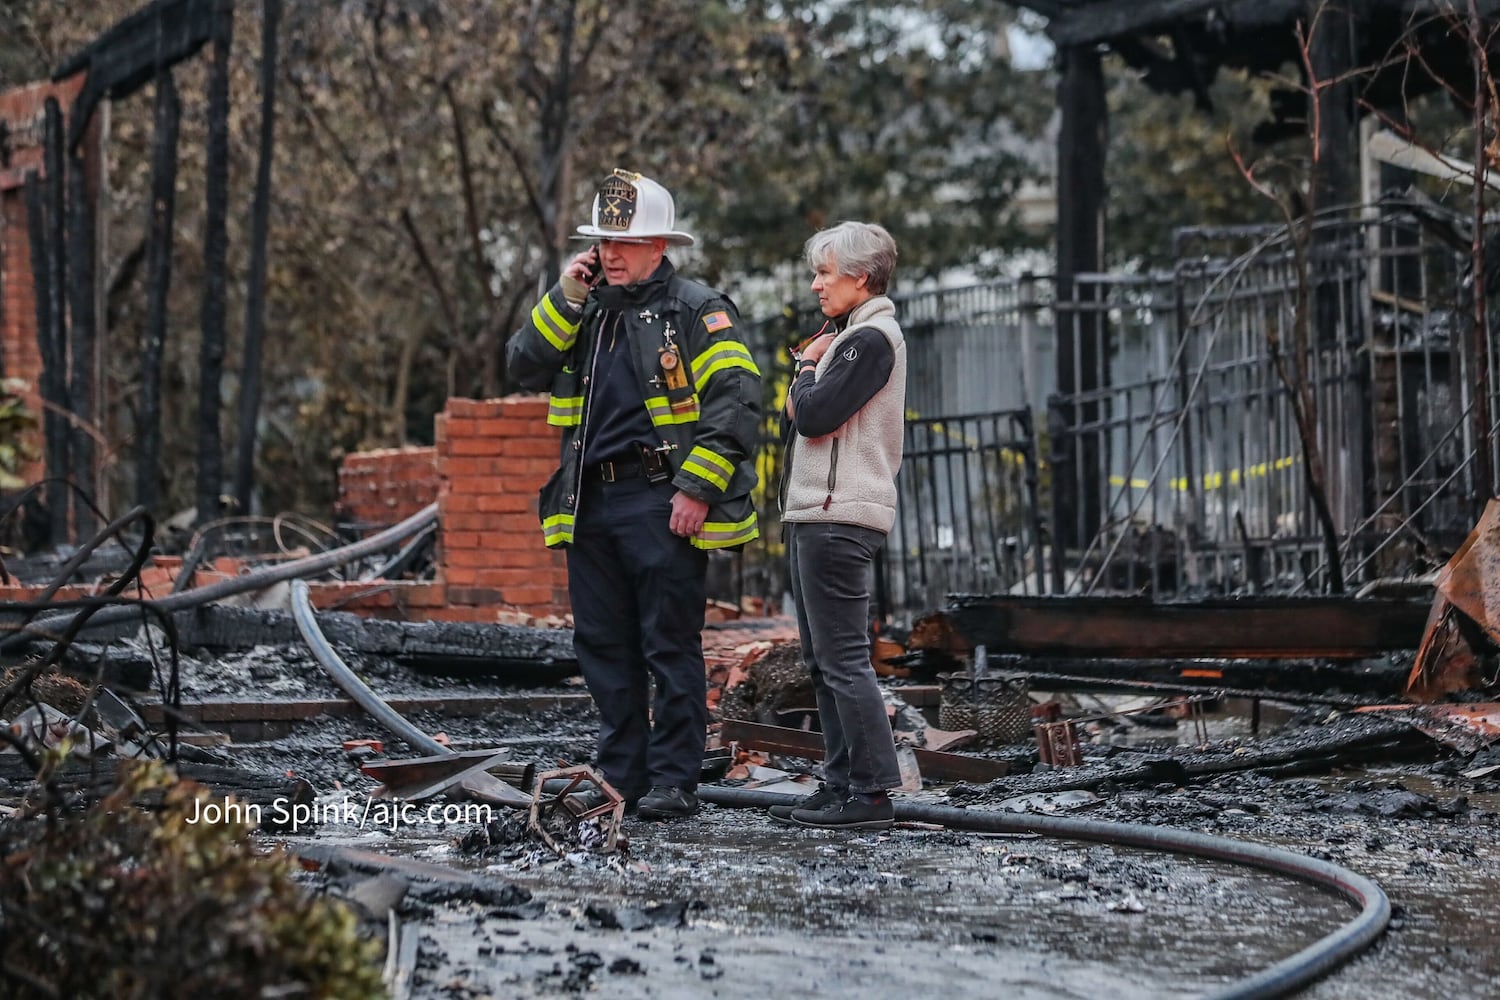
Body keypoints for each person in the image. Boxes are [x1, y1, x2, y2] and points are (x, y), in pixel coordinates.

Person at [505, 169, 762, 820]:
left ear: (659, 247)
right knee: (601, 644)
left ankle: (674, 781)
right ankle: (621, 775)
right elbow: (522, 362)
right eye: (603, 243)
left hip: (659, 499)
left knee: (667, 643)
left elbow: (735, 405)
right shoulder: (585, 310)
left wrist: (697, 486)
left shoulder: (697, 310)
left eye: (625, 242)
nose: (610, 253)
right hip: (589, 502)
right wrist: (565, 292)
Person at [769, 221, 906, 831]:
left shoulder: (868, 339)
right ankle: (841, 781)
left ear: (861, 276)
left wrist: (805, 366)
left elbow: (813, 417)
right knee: (824, 661)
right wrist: (811, 366)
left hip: (838, 517)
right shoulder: (849, 337)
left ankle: (873, 793)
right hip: (819, 515)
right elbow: (796, 417)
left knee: (844, 660)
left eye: (825, 272)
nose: (816, 284)